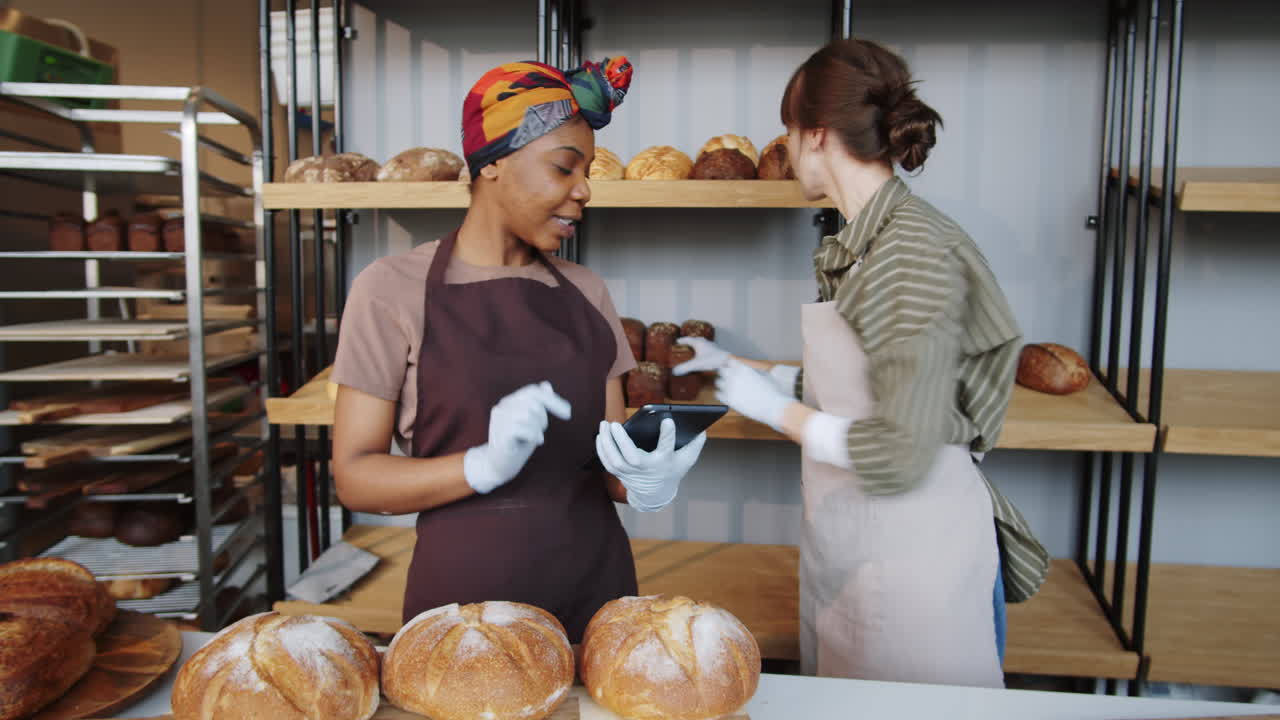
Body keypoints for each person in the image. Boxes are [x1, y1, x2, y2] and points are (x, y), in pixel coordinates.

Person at [674, 38, 1038, 687]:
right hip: (866, 551)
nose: (785, 150)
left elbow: (902, 449)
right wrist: (746, 372)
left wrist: (776, 412)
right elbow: (863, 388)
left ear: (816, 134)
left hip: (918, 567)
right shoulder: (868, 241)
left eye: (788, 132)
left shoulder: (909, 255)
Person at [330, 57, 707, 643]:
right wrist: (480, 466)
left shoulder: (587, 292)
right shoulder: (390, 289)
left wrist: (649, 480)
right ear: (493, 163)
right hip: (461, 616)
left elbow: (611, 471)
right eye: (563, 167)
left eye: (586, 172)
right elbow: (355, 478)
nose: (583, 190)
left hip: (597, 600)